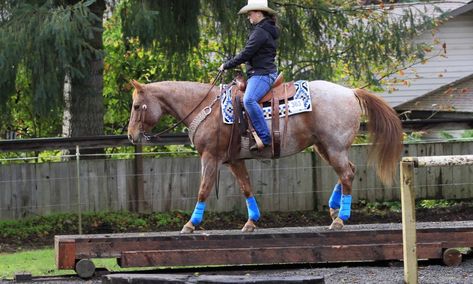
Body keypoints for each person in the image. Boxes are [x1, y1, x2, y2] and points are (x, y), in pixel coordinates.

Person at [219, 0, 279, 151]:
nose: (248, 17)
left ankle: (265, 138)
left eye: (250, 13)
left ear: (258, 13)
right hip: (260, 72)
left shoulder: (260, 32)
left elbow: (246, 54)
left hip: (262, 74)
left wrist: (226, 65)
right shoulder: (265, 30)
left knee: (249, 100)